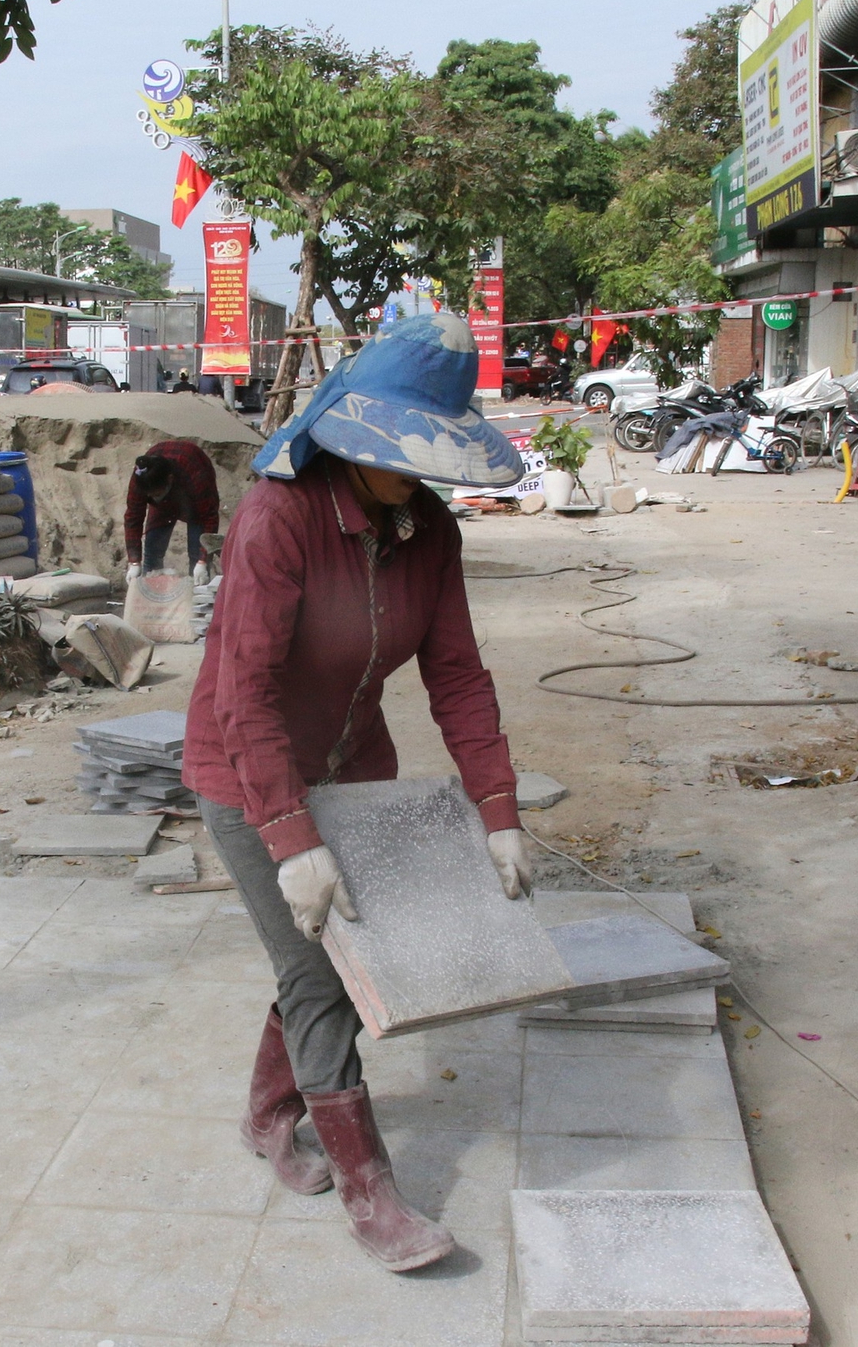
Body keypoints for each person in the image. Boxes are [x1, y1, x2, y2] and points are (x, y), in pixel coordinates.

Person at [182, 311, 533, 1273]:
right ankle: (371, 1192)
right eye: (397, 447)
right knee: (318, 974)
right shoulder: (279, 515)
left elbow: (457, 676)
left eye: (428, 450)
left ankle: (267, 1113)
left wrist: (497, 811)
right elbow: (242, 690)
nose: (412, 469)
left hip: (355, 770)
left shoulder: (429, 532)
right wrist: (291, 839)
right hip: (247, 778)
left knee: (324, 962)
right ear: (351, 426)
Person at [124, 441, 218, 586]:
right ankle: (152, 595)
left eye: (157, 493)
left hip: (192, 489)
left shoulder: (196, 475)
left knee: (196, 553)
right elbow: (133, 518)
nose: (153, 497)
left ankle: (196, 594)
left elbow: (209, 517)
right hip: (163, 497)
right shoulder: (142, 479)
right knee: (152, 549)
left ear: (169, 480)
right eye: (150, 495)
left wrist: (203, 560)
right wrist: (134, 562)